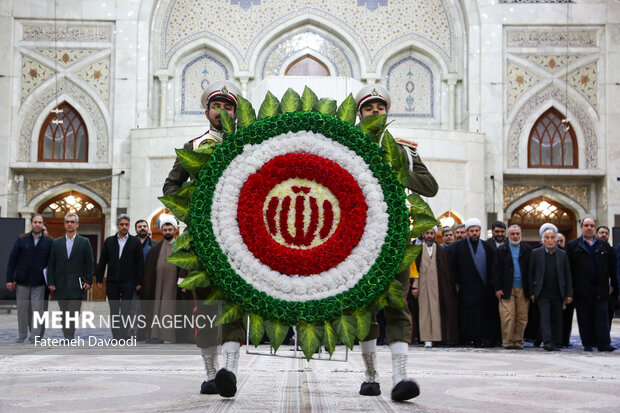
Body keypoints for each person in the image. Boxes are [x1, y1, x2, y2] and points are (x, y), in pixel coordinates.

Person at [354, 84, 438, 402]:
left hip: (397, 240)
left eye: (380, 108)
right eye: (369, 109)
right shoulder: (348, 145)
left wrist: (398, 172)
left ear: (387, 112)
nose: (375, 113)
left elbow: (430, 186)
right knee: (366, 309)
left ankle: (400, 376)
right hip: (359, 242)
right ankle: (370, 375)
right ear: (360, 115)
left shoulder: (403, 149)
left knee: (397, 307)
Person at [162, 80, 245, 398]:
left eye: (228, 107)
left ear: (235, 113)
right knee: (206, 306)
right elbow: (171, 188)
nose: (221, 111)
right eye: (216, 106)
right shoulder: (194, 146)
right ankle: (211, 374)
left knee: (234, 304)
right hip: (201, 238)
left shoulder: (246, 144)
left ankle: (230, 371)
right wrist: (196, 204)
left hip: (239, 239)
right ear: (207, 110)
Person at [566, 218, 617, 352]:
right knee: (584, 318)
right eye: (586, 225)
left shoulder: (604, 246)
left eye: (592, 226)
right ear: (581, 227)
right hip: (581, 289)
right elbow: (568, 270)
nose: (589, 228)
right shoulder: (572, 246)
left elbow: (612, 268)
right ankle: (588, 343)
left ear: (595, 228)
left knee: (602, 317)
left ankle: (603, 343)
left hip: (600, 288)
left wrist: (613, 285)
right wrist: (569, 290)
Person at [450, 218, 499, 347]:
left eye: (476, 231)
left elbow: (492, 268)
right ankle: (466, 339)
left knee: (482, 317)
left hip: (484, 290)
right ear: (467, 232)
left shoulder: (487, 247)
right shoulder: (458, 247)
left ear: (480, 231)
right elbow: (454, 268)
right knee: (467, 317)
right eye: (471, 231)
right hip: (466, 288)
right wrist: (456, 284)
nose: (474, 233)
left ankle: (481, 339)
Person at [47, 213, 94, 340]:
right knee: (64, 313)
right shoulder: (56, 242)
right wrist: (51, 282)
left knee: (73, 312)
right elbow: (51, 264)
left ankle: (70, 336)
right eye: (67, 222)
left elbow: (88, 264)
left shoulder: (84, 242)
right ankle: (66, 334)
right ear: (64, 224)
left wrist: (88, 281)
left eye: (72, 222)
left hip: (77, 284)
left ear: (77, 224)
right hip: (60, 283)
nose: (70, 224)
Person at [6, 214, 52, 343]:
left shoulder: (49, 241)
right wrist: (10, 279)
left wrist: (51, 281)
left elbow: (52, 263)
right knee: (22, 309)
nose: (37, 224)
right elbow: (12, 260)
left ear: (43, 225)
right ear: (31, 223)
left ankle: (35, 336)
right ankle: (22, 335)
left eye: (40, 222)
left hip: (39, 282)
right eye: (35, 222)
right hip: (22, 281)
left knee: (38, 310)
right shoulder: (22, 239)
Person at [96, 214, 144, 340]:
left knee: (126, 309)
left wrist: (139, 282)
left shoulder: (135, 242)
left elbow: (140, 263)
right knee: (114, 309)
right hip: (112, 281)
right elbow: (103, 261)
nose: (124, 227)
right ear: (117, 225)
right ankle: (116, 336)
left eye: (126, 224)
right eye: (121, 224)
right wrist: (99, 279)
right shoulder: (109, 241)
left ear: (129, 226)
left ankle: (124, 335)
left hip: (128, 281)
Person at [141, 215, 185, 344]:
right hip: (158, 285)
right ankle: (157, 335)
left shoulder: (180, 246)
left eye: (170, 230)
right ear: (162, 231)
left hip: (174, 286)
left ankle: (170, 336)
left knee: (170, 308)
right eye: (165, 230)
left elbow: (184, 266)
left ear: (174, 230)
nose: (167, 232)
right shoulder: (155, 248)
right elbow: (149, 269)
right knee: (158, 308)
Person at [529, 225, 573, 351]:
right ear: (543, 240)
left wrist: (569, 293)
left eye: (552, 237)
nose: (549, 240)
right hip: (542, 292)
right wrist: (532, 292)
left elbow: (567, 275)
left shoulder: (562, 254)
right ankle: (547, 342)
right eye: (547, 238)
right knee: (545, 317)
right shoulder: (536, 253)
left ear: (556, 239)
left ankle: (555, 341)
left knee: (557, 318)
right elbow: (531, 274)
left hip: (558, 292)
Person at [412, 227, 458, 347]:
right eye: (427, 233)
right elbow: (415, 270)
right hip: (422, 284)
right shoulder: (418, 250)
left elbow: (446, 271)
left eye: (431, 233)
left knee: (436, 311)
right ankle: (426, 338)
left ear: (434, 234)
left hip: (437, 286)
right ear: (423, 234)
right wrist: (415, 287)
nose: (429, 236)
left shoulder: (441, 250)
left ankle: (437, 337)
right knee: (424, 312)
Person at [491, 224, 532, 349]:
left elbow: (531, 270)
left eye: (517, 234)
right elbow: (495, 271)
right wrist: (497, 288)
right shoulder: (501, 250)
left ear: (521, 235)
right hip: (506, 289)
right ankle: (508, 342)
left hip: (523, 289)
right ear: (508, 236)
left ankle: (518, 341)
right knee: (508, 317)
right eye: (513, 234)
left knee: (521, 317)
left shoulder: (527, 249)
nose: (515, 236)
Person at [132, 219, 154, 340]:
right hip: (133, 283)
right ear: (136, 229)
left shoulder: (154, 244)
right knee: (134, 309)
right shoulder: (130, 243)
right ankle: (134, 333)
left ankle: (147, 333)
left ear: (148, 228)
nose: (142, 228)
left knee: (148, 309)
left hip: (149, 282)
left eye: (144, 226)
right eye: (139, 226)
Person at [596, 225, 617, 327]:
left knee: (608, 314)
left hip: (610, 290)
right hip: (595, 290)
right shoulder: (592, 250)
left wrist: (613, 285)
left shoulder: (613, 251)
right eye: (601, 232)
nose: (604, 235)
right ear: (596, 234)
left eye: (606, 233)